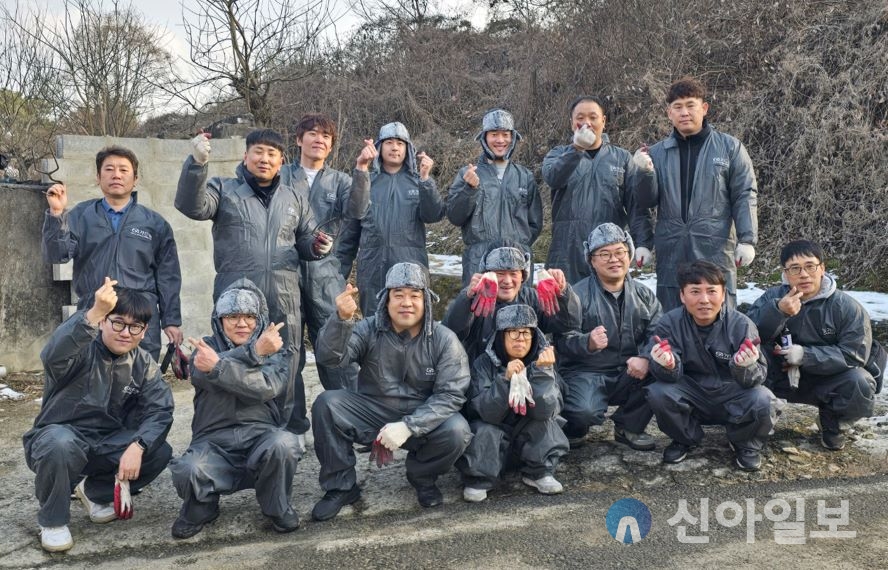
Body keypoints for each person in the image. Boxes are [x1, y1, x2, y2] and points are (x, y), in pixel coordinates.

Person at [175, 128, 335, 447]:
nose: (264, 159)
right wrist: (197, 163)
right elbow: (192, 207)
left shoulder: (294, 198)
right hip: (236, 297)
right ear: (245, 156)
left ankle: (287, 427)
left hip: (284, 293)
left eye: (272, 154)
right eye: (258, 151)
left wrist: (319, 246)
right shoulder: (224, 189)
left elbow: (305, 240)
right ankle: (228, 427)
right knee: (233, 356)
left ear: (281, 161)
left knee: (287, 359)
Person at [311, 263, 472, 520]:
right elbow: (331, 358)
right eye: (398, 295)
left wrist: (409, 426)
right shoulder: (367, 329)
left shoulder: (444, 339)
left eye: (414, 295)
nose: (406, 302)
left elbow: (451, 394)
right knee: (326, 404)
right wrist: (340, 321)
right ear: (386, 300)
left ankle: (422, 476)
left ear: (427, 300)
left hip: (422, 415)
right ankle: (341, 487)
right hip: (373, 410)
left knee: (457, 430)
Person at [23, 278, 174, 552]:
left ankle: (95, 493)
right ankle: (53, 521)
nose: (125, 332)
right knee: (60, 444)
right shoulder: (80, 349)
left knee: (159, 451)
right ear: (104, 321)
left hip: (106, 444)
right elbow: (52, 355)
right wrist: (93, 311)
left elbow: (160, 411)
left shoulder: (143, 364)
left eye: (134, 326)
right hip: (60, 439)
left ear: (144, 330)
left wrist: (138, 445)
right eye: (117, 322)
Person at [169, 279, 302, 538]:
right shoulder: (204, 347)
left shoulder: (275, 350)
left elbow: (265, 387)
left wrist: (221, 366)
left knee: (284, 443)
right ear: (219, 320)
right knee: (187, 469)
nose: (242, 324)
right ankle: (202, 508)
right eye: (232, 316)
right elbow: (200, 373)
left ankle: (276, 507)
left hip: (260, 439)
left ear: (259, 318)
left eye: (249, 317)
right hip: (213, 444)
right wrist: (254, 353)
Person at [43, 145, 183, 360]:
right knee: (92, 377)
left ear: (135, 178)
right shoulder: (81, 215)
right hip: (94, 312)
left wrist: (171, 321)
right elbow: (57, 255)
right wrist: (56, 214)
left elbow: (168, 276)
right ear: (98, 177)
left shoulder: (155, 224)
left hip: (140, 316)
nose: (116, 175)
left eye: (123, 170)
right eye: (109, 169)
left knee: (141, 381)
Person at [747, 240, 883, 450]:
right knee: (745, 367)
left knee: (860, 381)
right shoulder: (772, 297)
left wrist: (804, 355)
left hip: (825, 380)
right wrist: (777, 312)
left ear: (822, 269)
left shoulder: (846, 307)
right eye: (795, 268)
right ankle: (756, 424)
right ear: (785, 273)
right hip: (779, 377)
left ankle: (833, 423)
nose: (804, 274)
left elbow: (854, 354)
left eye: (810, 266)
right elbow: (748, 336)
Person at [637, 77, 758, 311]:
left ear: (704, 108)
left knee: (718, 309)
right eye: (677, 107)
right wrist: (642, 174)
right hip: (671, 247)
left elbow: (744, 193)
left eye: (690, 105)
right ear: (668, 113)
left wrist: (747, 238)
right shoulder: (656, 153)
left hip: (715, 246)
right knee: (672, 313)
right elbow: (643, 202)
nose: (684, 112)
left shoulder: (730, 148)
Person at [279, 113, 373, 399]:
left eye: (326, 136)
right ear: (299, 140)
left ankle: (351, 415)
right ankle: (291, 423)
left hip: (326, 275)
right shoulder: (280, 176)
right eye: (313, 133)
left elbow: (357, 211)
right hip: (285, 273)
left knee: (336, 346)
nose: (319, 139)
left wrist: (362, 170)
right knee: (287, 350)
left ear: (331, 146)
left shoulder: (342, 181)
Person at [645, 261, 773, 471]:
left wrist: (745, 366)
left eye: (711, 291)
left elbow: (758, 376)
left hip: (730, 391)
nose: (704, 300)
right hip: (692, 392)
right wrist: (667, 364)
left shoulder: (742, 324)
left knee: (763, 398)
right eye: (695, 291)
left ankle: (745, 443)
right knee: (658, 392)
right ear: (682, 296)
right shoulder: (669, 322)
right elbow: (666, 375)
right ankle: (684, 438)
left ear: (723, 294)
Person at [554, 223, 663, 449]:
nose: (614, 259)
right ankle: (575, 426)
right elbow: (562, 339)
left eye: (619, 252)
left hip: (629, 371)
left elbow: (659, 333)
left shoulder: (645, 295)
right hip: (587, 372)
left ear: (629, 255)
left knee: (665, 368)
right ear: (592, 260)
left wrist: (645, 357)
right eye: (604, 254)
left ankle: (628, 427)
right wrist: (587, 343)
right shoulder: (577, 294)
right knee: (584, 412)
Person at [458, 304, 569, 502]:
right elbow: (485, 411)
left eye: (526, 333)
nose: (521, 339)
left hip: (529, 438)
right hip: (494, 439)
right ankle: (479, 478)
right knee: (484, 428)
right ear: (501, 336)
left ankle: (539, 472)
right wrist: (505, 380)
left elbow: (547, 411)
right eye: (513, 333)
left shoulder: (543, 361)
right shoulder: (484, 363)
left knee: (546, 422)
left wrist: (542, 373)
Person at [542, 96, 656, 284]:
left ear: (603, 121)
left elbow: (636, 207)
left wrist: (643, 243)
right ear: (572, 123)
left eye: (593, 117)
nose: (587, 123)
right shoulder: (558, 154)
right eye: (580, 118)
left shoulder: (622, 159)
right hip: (566, 252)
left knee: (610, 309)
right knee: (566, 310)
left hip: (609, 252)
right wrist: (576, 149)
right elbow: (553, 178)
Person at [337, 121, 445, 315]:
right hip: (372, 268)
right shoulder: (366, 180)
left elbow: (433, 214)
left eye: (400, 143)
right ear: (379, 147)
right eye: (389, 142)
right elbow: (354, 217)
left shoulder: (418, 180)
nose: (394, 147)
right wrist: (361, 169)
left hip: (411, 267)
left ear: (408, 149)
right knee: (374, 325)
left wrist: (426, 180)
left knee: (410, 326)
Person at [446, 109, 543, 286]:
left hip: (517, 265)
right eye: (494, 134)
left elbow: (535, 224)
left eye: (505, 134)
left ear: (513, 137)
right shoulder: (467, 174)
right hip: (478, 263)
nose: (500, 140)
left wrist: (518, 246)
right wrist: (469, 189)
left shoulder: (525, 176)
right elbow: (455, 216)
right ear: (484, 137)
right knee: (480, 312)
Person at [442, 243, 581, 363]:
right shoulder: (475, 298)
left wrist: (563, 293)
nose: (507, 281)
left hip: (528, 376)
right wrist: (466, 298)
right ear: (487, 274)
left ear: (523, 276)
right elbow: (452, 332)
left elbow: (569, 324)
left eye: (514, 273)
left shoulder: (533, 298)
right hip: (482, 379)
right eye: (500, 273)